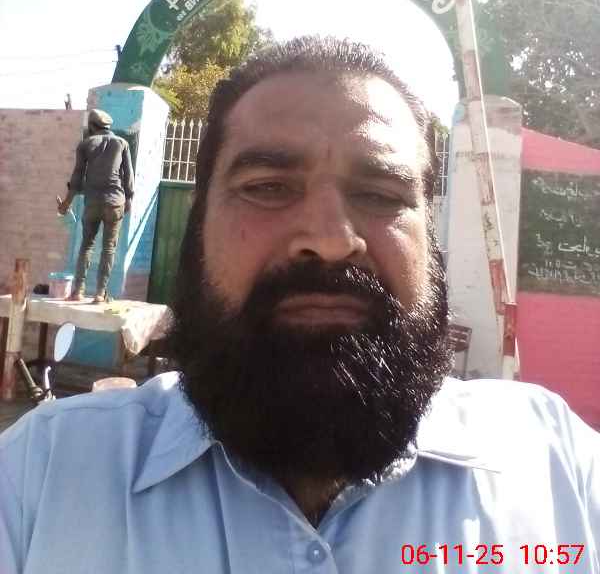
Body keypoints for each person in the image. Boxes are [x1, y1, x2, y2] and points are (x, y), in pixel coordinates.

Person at [1, 38, 598, 573]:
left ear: (430, 239)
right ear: (198, 227)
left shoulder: (559, 469)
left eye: (380, 194)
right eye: (267, 188)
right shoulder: (38, 479)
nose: (331, 239)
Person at [57, 108, 134, 303]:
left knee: (86, 245)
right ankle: (100, 294)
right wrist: (129, 200)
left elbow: (77, 177)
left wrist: (66, 204)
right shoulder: (122, 143)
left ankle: (78, 291)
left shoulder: (85, 145)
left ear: (92, 127)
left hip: (92, 202)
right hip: (115, 201)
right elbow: (128, 176)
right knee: (109, 248)